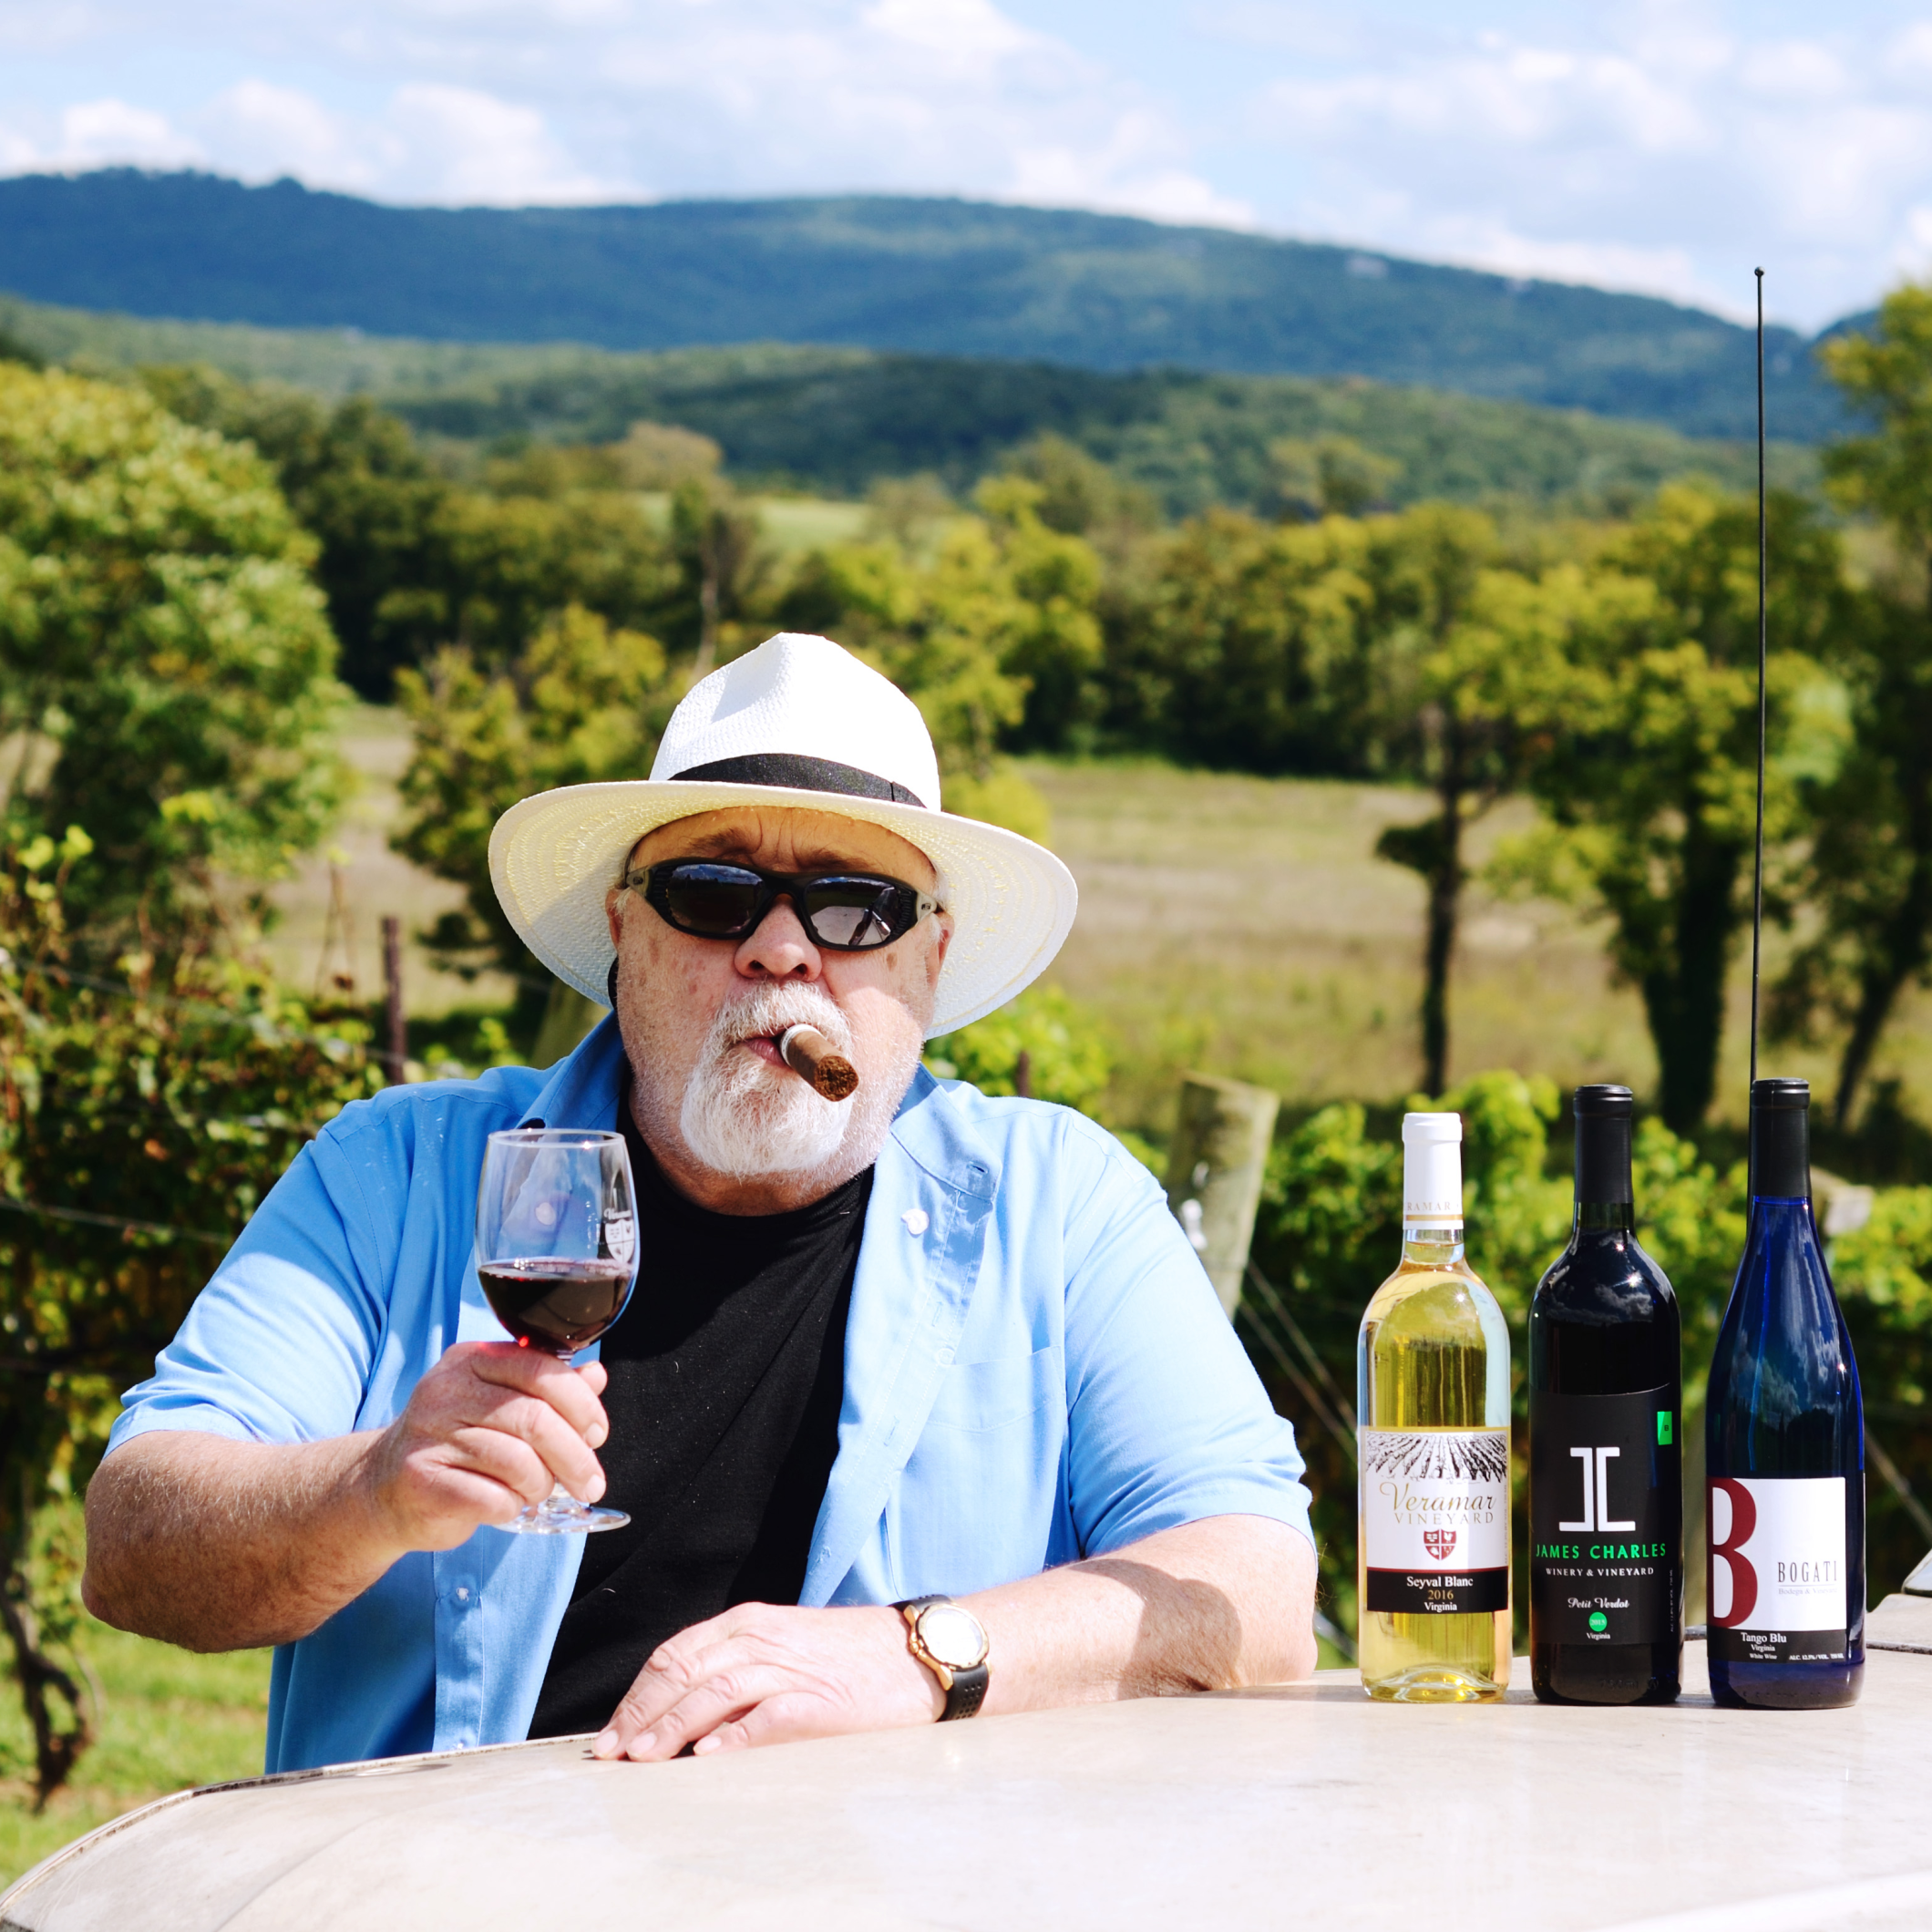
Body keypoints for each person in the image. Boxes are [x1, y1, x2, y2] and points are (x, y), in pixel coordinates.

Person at [83, 632, 1317, 1773]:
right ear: (624, 929)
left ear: (928, 963)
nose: (781, 951)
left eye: (853, 906)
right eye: (715, 893)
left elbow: (1257, 1589)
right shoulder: (398, 1171)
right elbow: (133, 1545)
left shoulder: (1062, 1206)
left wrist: (917, 1653)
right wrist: (373, 1489)